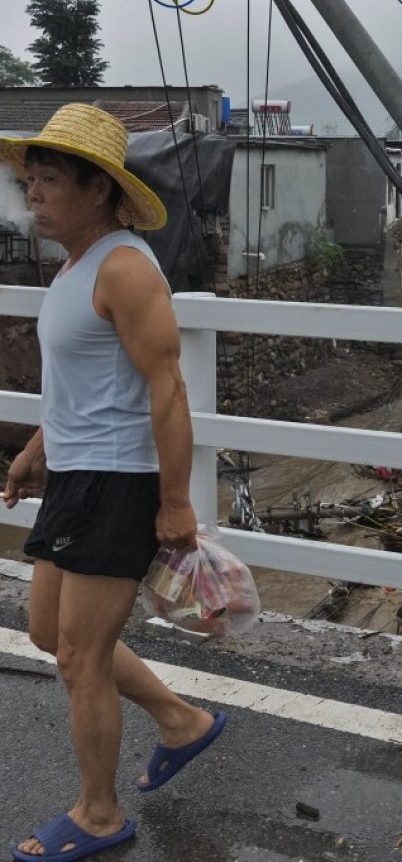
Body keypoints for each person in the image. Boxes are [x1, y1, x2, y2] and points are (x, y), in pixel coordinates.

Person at [1, 104, 227, 862]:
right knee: (46, 635)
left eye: (50, 179)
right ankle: (180, 720)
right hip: (75, 475)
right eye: (29, 179)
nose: (33, 192)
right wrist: (38, 446)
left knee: (80, 658)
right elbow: (88, 383)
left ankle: (99, 816)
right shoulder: (74, 266)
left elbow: (166, 387)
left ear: (99, 190)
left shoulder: (124, 266)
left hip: (119, 482)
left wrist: (174, 503)